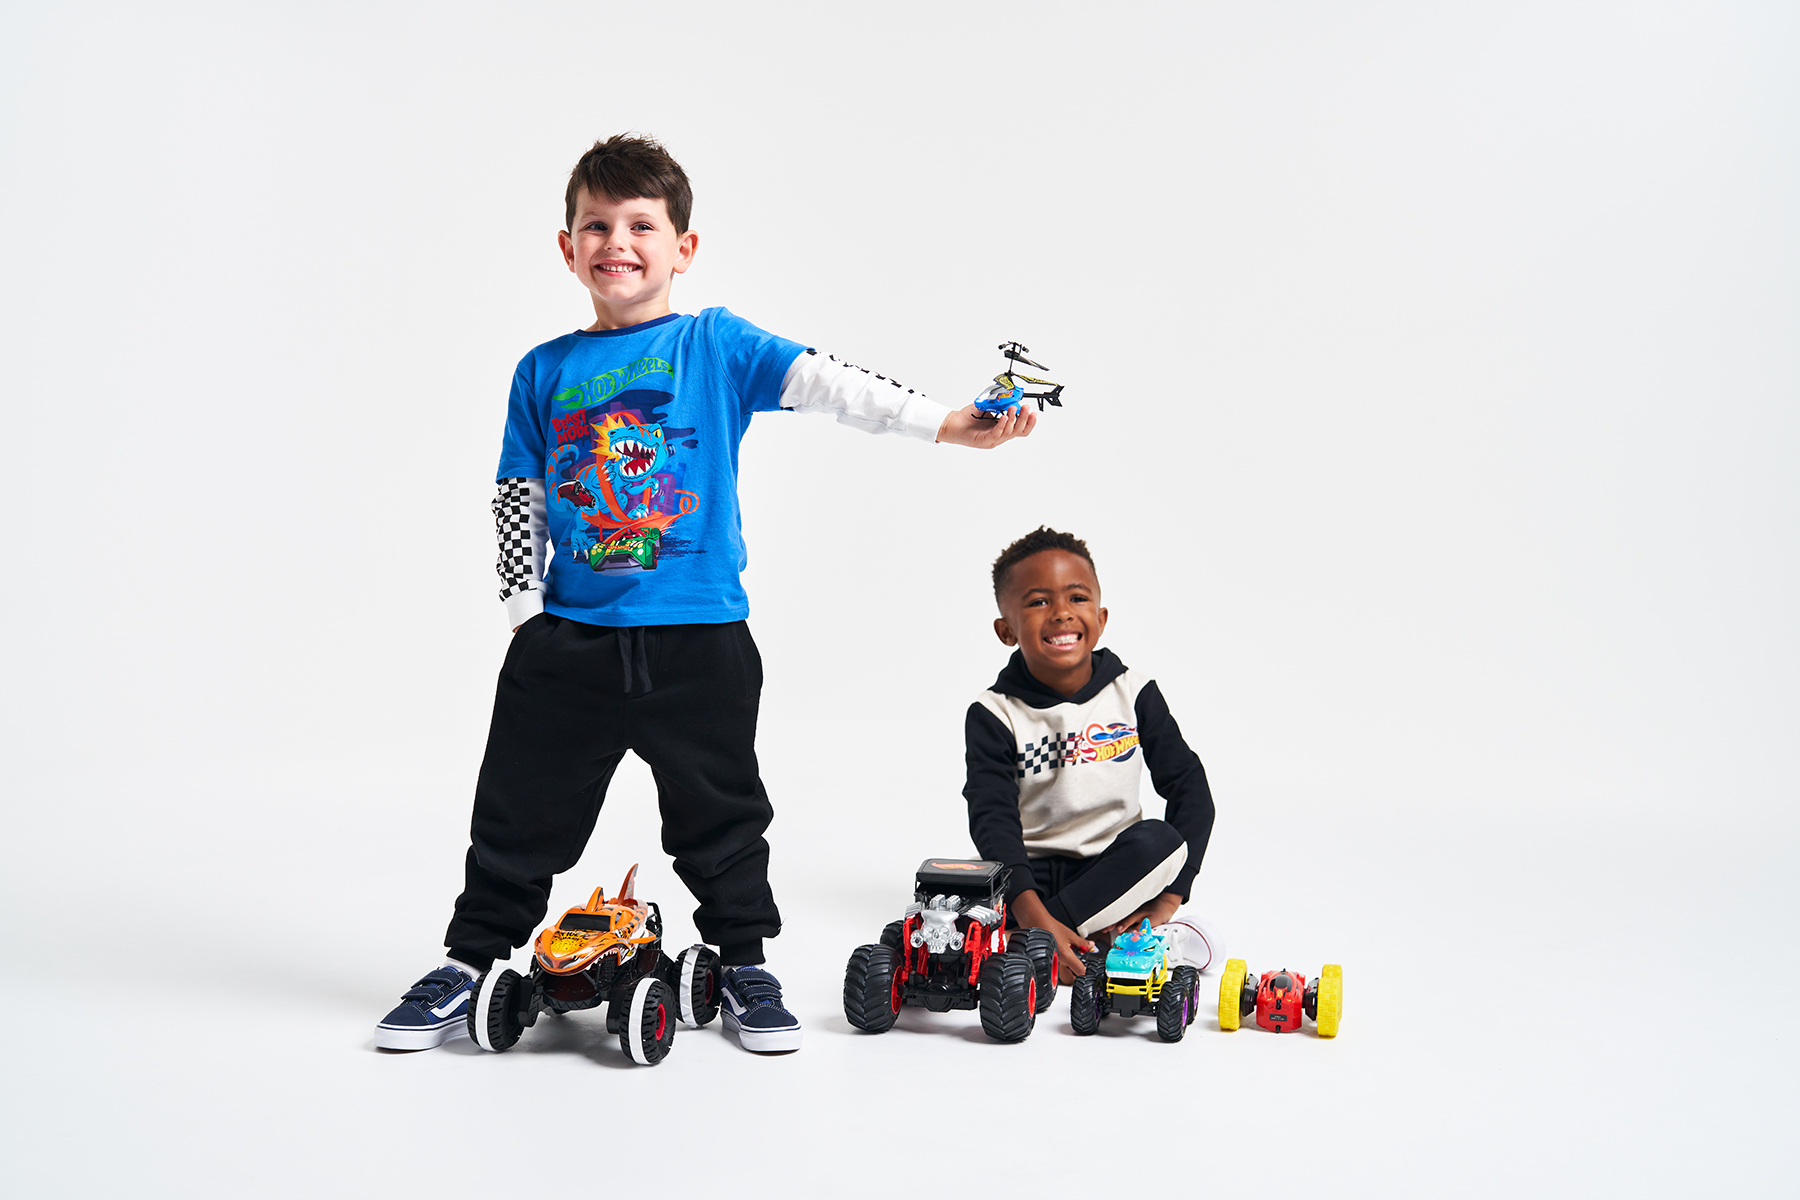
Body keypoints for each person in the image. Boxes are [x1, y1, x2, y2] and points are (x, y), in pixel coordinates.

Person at [375, 134, 1034, 1054]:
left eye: (642, 224)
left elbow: (831, 383)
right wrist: (526, 619)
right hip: (568, 643)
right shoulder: (541, 369)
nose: (619, 241)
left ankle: (743, 961)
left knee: (721, 815)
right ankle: (472, 959)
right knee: (518, 813)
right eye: (596, 225)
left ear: (682, 247)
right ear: (567, 248)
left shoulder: (714, 344)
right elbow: (514, 496)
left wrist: (947, 426)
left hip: (700, 642)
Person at [963, 527, 1221, 982]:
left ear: (1101, 618)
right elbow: (992, 818)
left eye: (1077, 598)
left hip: (1116, 870)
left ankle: (1038, 941)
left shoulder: (1133, 692)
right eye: (1039, 602)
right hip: (1030, 878)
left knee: (1161, 841)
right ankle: (1069, 934)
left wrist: (1169, 898)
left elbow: (1190, 789)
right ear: (1006, 630)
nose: (1062, 614)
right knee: (958, 890)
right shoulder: (994, 712)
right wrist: (1033, 909)